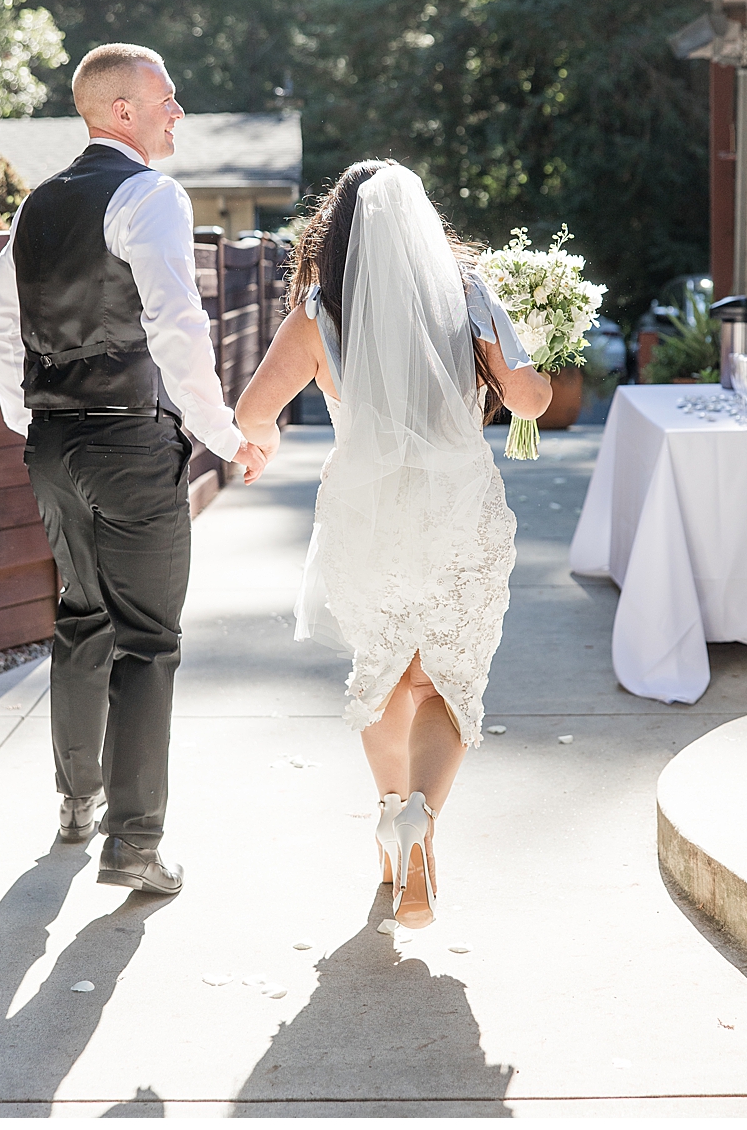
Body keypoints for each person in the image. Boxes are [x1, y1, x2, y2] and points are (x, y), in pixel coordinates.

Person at [0, 42, 271, 896]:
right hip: (130, 446)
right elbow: (179, 325)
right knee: (148, 641)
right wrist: (221, 431)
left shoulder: (35, 206)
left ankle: (77, 801)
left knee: (79, 618)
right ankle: (135, 844)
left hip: (54, 447)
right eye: (167, 99)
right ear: (120, 113)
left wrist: (28, 421)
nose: (179, 111)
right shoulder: (151, 195)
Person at [234, 161, 550, 928]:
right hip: (455, 508)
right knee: (444, 682)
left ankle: (387, 822)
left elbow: (251, 408)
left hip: (366, 512)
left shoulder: (318, 312)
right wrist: (532, 347)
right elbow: (531, 400)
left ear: (338, 233)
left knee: (382, 674)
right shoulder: (470, 294)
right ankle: (420, 819)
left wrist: (260, 444)